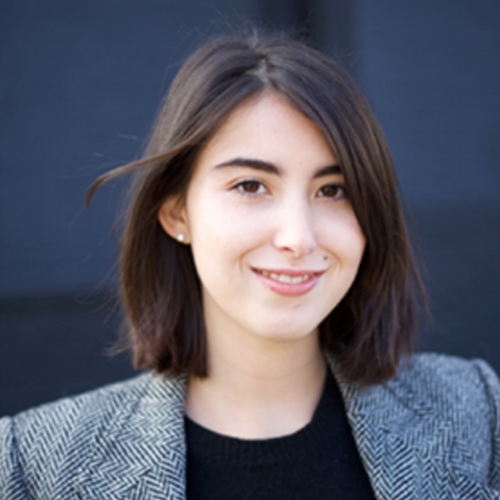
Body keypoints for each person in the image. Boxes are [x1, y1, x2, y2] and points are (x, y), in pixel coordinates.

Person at [1, 31, 499, 500]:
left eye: (333, 190)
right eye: (250, 186)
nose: (297, 238)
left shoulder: (477, 414)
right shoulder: (34, 466)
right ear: (177, 212)